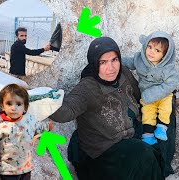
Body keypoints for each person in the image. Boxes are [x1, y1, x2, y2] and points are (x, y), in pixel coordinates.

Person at [49, 37, 167, 179]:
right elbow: (67, 111)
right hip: (105, 153)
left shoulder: (123, 73)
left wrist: (167, 101)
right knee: (143, 154)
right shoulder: (87, 87)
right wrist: (47, 105)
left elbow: (141, 95)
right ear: (94, 63)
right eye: (103, 62)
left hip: (132, 136)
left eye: (114, 60)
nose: (111, 68)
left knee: (165, 122)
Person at [122, 31, 179, 145]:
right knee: (147, 113)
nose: (151, 52)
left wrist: (153, 94)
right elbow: (129, 62)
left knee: (166, 109)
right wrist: (116, 59)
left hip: (163, 95)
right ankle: (148, 136)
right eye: (149, 47)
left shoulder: (167, 68)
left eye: (157, 50)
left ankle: (162, 128)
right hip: (146, 95)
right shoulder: (140, 60)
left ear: (165, 55)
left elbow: (171, 83)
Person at [0, 84, 53, 180]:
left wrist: (47, 126)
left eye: (18, 104)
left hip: (26, 166)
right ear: (2, 106)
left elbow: (37, 126)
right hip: (7, 169)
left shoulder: (28, 119)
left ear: (25, 107)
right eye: (9, 103)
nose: (13, 108)